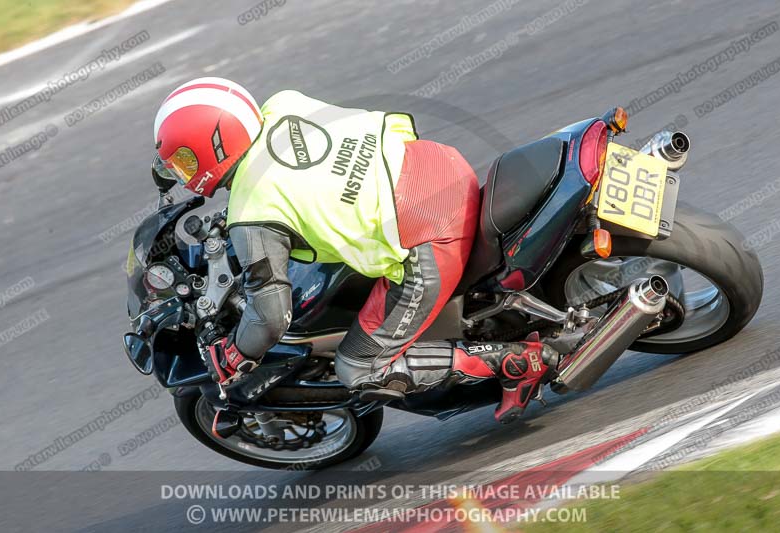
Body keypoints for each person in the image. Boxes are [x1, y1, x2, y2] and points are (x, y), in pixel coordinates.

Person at [153, 77, 554, 424]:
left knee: (358, 368)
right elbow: (304, 177)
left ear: (214, 145)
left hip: (428, 232)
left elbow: (271, 317)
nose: (184, 174)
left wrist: (235, 354)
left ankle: (515, 360)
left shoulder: (252, 213)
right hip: (438, 164)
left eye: (185, 160)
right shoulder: (283, 106)